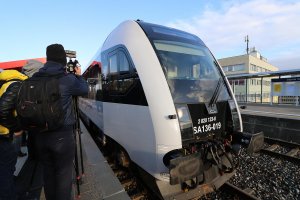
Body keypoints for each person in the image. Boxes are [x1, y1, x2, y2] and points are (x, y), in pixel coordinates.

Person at [34, 44, 88, 200]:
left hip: (40, 136)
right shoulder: (68, 79)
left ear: (47, 58)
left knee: (48, 176)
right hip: (61, 136)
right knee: (63, 178)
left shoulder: (35, 78)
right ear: (63, 60)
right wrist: (78, 75)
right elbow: (84, 90)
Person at [0, 69, 27, 200]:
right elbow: (3, 110)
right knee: (6, 168)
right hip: (4, 134)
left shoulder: (5, 83)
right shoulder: (17, 84)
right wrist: (15, 127)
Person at [21, 60, 44, 160]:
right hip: (39, 123)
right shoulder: (40, 85)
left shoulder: (22, 84)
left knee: (31, 140)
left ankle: (33, 159)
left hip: (28, 122)